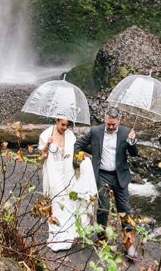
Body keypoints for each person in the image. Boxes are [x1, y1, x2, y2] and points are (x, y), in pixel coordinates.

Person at [74, 107, 138, 246]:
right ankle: (102, 240)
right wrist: (78, 159)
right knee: (103, 209)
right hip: (101, 175)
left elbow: (134, 154)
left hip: (120, 176)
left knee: (125, 210)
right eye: (108, 123)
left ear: (119, 121)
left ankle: (129, 244)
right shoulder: (95, 131)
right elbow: (79, 144)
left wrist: (132, 142)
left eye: (113, 124)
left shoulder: (127, 132)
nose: (110, 126)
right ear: (105, 119)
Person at [38, 117, 98, 251]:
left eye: (67, 125)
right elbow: (41, 155)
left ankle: (67, 234)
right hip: (53, 172)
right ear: (56, 121)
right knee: (57, 201)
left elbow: (75, 152)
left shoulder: (70, 135)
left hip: (68, 172)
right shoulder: (46, 134)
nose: (65, 128)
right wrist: (47, 145)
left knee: (69, 201)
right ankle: (56, 236)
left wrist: (83, 159)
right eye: (63, 125)